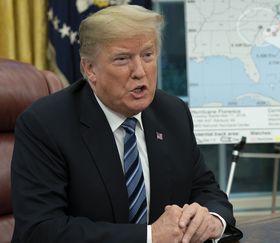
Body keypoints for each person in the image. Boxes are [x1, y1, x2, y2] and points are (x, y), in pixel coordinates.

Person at [11, 5, 239, 243]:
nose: (140, 71)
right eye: (122, 59)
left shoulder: (173, 113)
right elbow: (41, 229)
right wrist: (150, 236)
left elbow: (206, 189)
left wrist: (212, 220)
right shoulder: (44, 124)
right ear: (90, 69)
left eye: (147, 55)